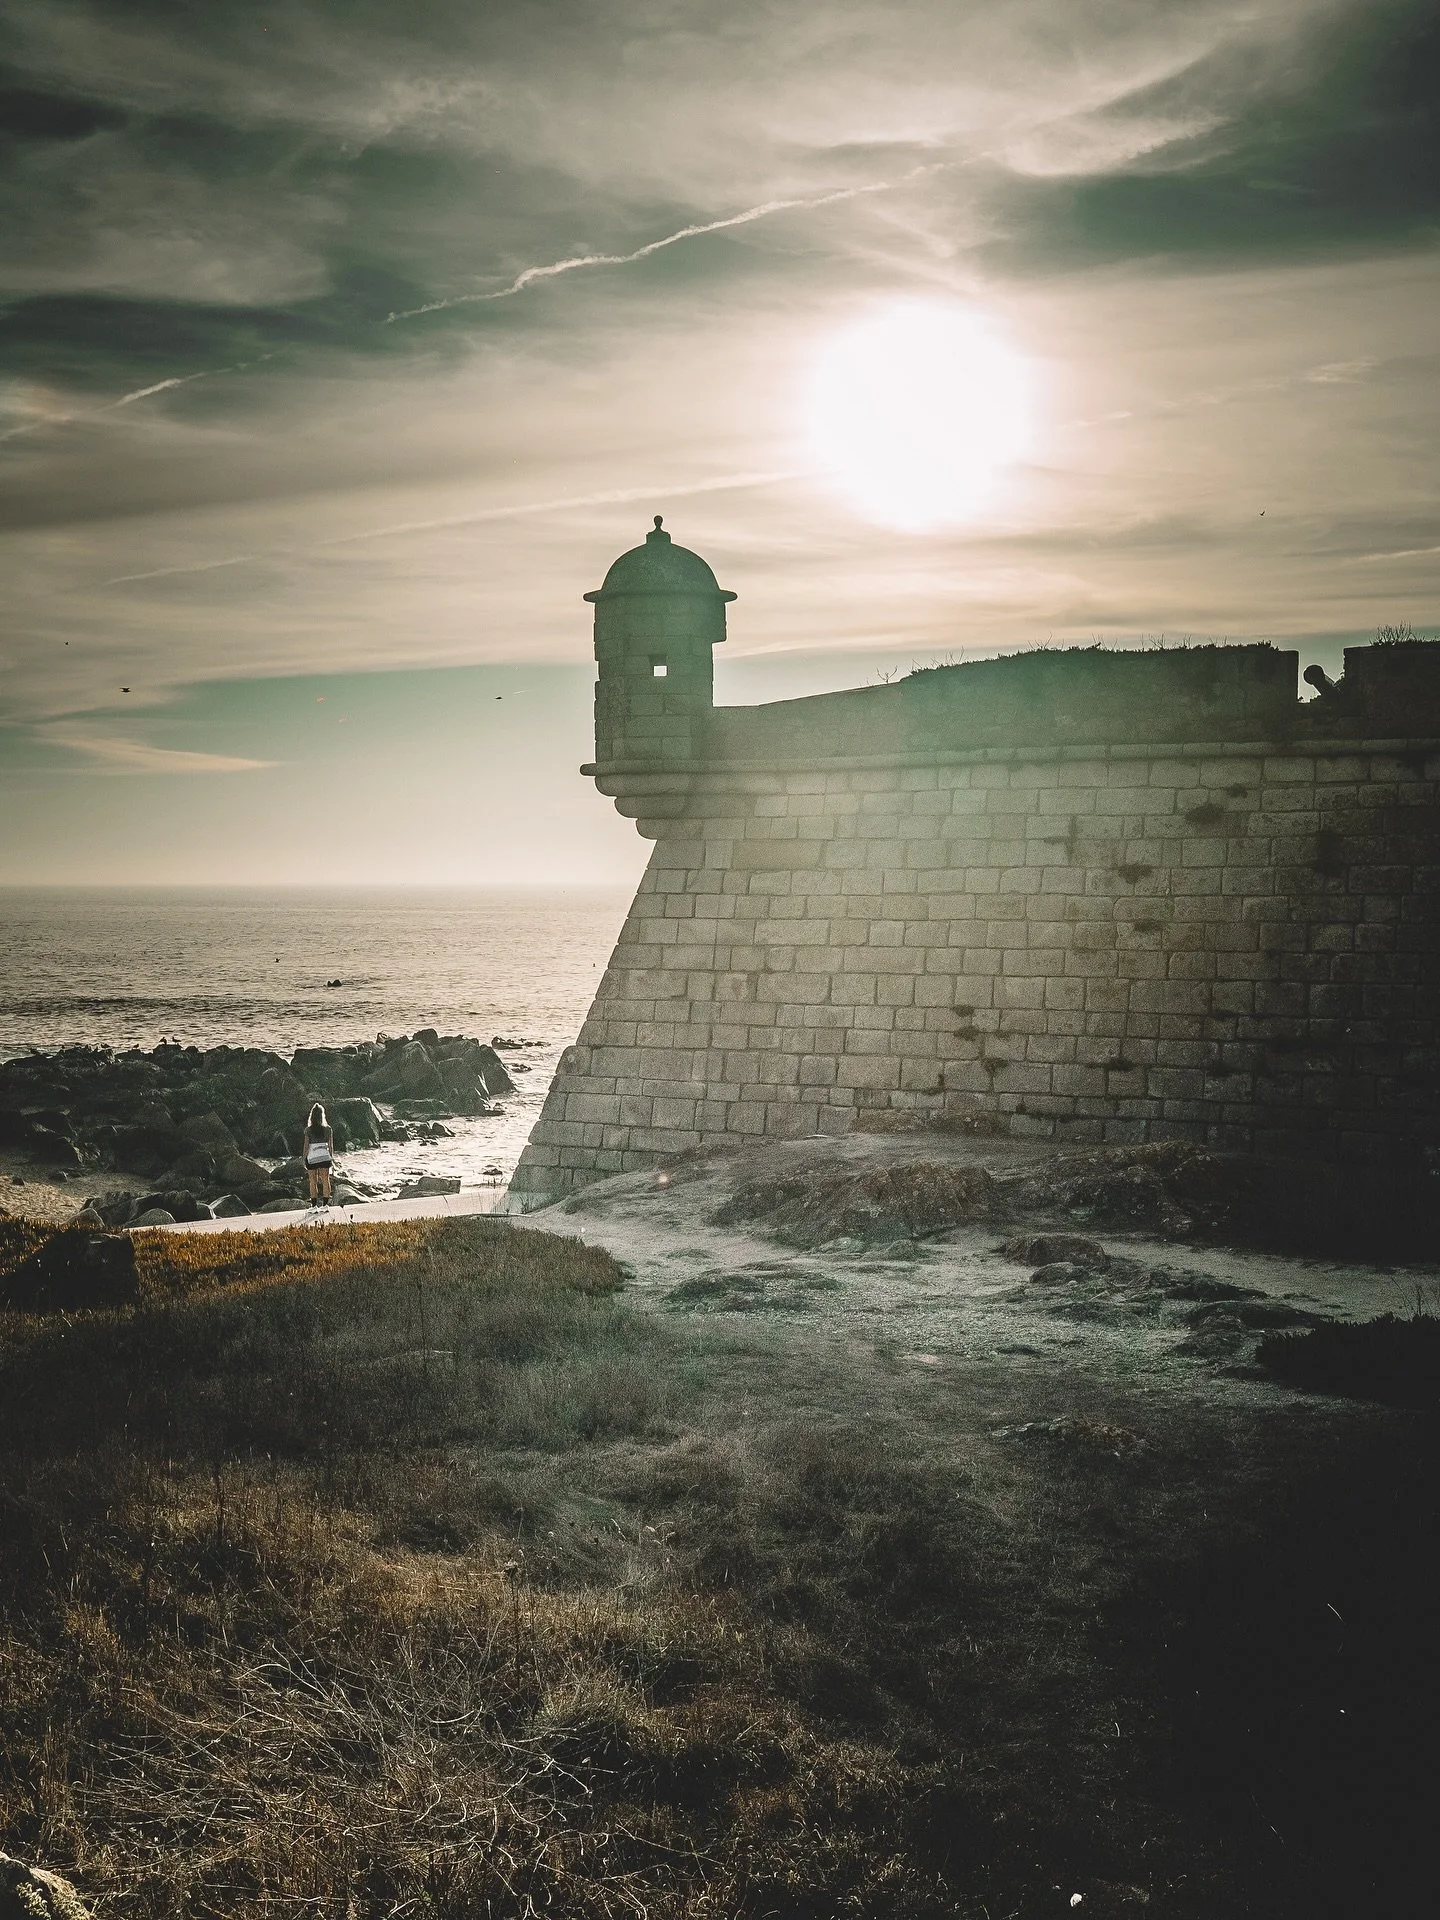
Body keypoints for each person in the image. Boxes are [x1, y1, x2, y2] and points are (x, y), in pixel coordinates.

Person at [302, 1102, 334, 1205]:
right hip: (325, 1157)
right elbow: (330, 1146)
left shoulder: (308, 1130)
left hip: (312, 1158)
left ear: (312, 1116)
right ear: (322, 1115)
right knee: (326, 1180)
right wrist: (331, 1158)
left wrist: (304, 1159)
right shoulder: (328, 1129)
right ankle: (325, 1205)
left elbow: (306, 1146)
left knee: (313, 1181)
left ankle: (314, 1205)